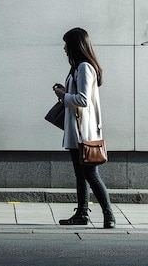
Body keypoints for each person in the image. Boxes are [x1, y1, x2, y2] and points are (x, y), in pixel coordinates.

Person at [52, 28, 115, 229]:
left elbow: (83, 100)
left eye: (66, 44)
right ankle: (82, 213)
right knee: (81, 175)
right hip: (76, 132)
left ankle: (109, 215)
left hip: (84, 133)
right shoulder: (77, 68)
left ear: (75, 45)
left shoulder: (85, 68)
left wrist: (63, 95)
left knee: (91, 175)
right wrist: (64, 91)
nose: (63, 48)